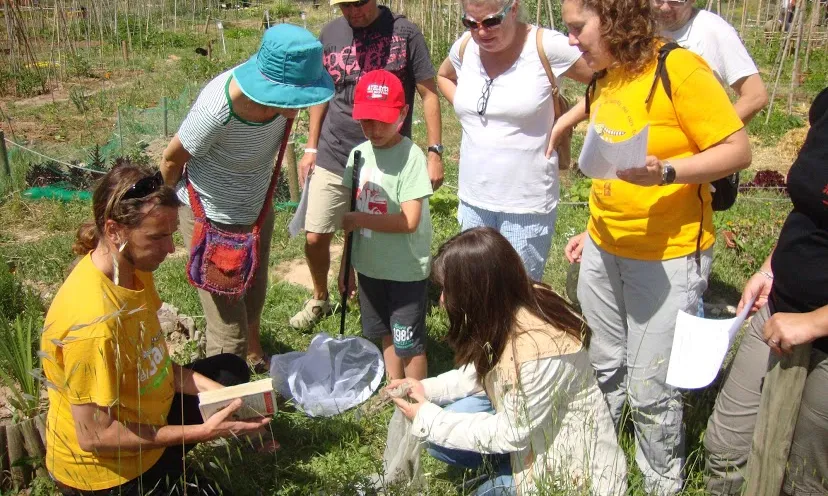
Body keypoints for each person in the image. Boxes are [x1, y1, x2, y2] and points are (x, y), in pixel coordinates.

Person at [554, 0, 752, 491]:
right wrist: (592, 226)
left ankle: (661, 479)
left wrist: (666, 173)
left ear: (615, 19)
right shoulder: (605, 75)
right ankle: (603, 455)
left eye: (578, 29)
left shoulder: (678, 68)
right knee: (604, 360)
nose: (572, 41)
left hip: (668, 254)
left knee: (651, 384)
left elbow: (738, 150)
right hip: (603, 243)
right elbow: (611, 159)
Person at [41, 163, 272, 495]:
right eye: (157, 236)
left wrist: (221, 397)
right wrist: (202, 432)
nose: (170, 249)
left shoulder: (132, 267)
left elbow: (155, 362)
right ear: (115, 230)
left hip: (147, 415)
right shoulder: (92, 322)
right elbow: (95, 437)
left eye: (171, 233)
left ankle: (173, 456)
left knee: (229, 372)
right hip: (109, 472)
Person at [389, 227, 627, 495]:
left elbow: (510, 432)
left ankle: (506, 473)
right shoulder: (509, 304)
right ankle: (505, 466)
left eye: (447, 290)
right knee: (436, 434)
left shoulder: (539, 352)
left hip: (570, 474)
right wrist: (428, 390)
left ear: (476, 290)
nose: (442, 300)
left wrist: (430, 419)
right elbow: (485, 368)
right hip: (532, 434)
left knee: (444, 438)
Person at [160, 24, 334, 368]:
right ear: (269, 86)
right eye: (294, 98)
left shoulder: (279, 103)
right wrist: (165, 210)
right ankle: (225, 402)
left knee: (254, 285)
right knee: (228, 327)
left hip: (256, 207)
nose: (297, 107)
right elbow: (171, 160)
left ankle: (253, 352)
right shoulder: (218, 108)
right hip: (210, 216)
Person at [703, 88, 828, 495]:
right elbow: (808, 207)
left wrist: (814, 322)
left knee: (806, 477)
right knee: (726, 451)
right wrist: (770, 266)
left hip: (819, 330)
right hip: (778, 306)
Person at [291, 0, 443, 330]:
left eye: (358, 4)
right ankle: (320, 297)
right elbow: (321, 92)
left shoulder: (405, 33)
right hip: (335, 151)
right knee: (316, 235)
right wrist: (311, 146)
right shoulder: (330, 33)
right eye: (345, 6)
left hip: (384, 157)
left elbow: (428, 92)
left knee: (370, 225)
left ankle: (370, 290)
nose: (353, 12)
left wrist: (434, 151)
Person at [434, 0, 593, 281]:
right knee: (474, 289)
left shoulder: (546, 46)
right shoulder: (465, 47)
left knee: (518, 293)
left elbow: (608, 80)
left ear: (514, 9)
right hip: (473, 198)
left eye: (492, 21)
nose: (481, 32)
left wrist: (565, 121)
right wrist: (469, 114)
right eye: (471, 23)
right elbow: (443, 75)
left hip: (525, 204)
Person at [338, 69, 432, 381]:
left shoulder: (411, 157)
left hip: (404, 271)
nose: (374, 128)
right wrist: (346, 268)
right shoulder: (358, 156)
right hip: (369, 267)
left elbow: (409, 220)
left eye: (382, 119)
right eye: (366, 120)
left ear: (403, 114)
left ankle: (416, 396)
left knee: (409, 342)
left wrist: (359, 219)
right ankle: (395, 386)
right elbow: (350, 223)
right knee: (386, 334)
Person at [654, 0, 768, 125]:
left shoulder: (713, 29)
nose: (665, 7)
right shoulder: (642, 28)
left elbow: (756, 95)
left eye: (675, 1)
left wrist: (716, 133)